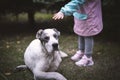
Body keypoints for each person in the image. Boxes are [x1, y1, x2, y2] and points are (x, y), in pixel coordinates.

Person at [52, 0, 103, 67]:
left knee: (88, 35)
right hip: (82, 15)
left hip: (89, 16)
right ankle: (81, 52)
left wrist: (63, 11)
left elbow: (77, 1)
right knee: (81, 33)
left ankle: (88, 58)